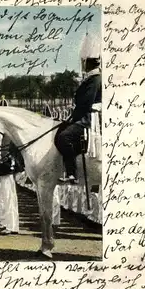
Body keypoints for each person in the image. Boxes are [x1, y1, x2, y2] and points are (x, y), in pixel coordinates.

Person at [54, 32, 102, 184]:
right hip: (84, 115)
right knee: (60, 129)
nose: (82, 64)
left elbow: (85, 104)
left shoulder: (95, 79)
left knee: (64, 137)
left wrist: (72, 117)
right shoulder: (91, 78)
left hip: (89, 119)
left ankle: (72, 173)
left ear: (88, 63)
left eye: (84, 62)